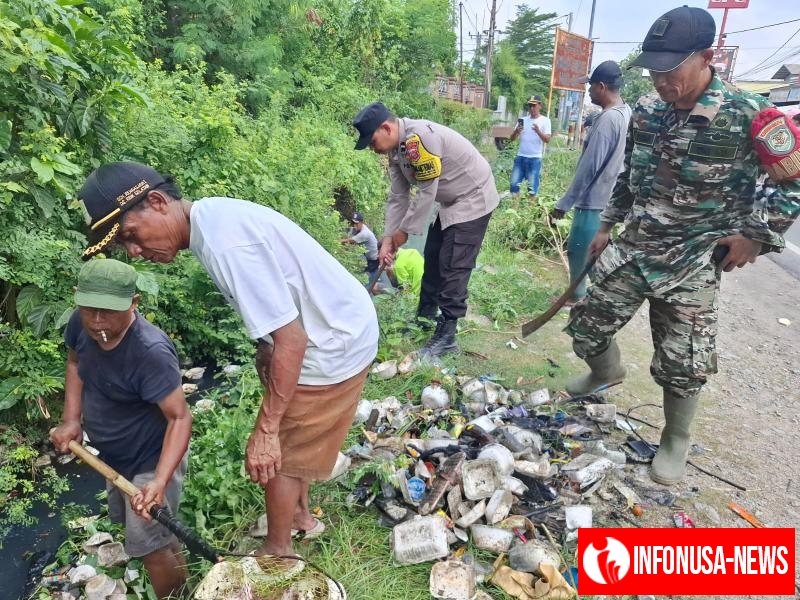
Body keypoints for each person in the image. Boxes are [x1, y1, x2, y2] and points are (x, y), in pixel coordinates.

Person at [76, 162, 379, 589]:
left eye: (130, 235)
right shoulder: (212, 219)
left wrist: (268, 429)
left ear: (158, 202)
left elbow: (292, 341)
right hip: (341, 320)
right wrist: (264, 348)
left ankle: (278, 550)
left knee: (281, 450)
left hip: (332, 340)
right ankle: (299, 515)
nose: (134, 252)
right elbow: (277, 303)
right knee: (293, 436)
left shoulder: (223, 244)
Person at [563, 6, 800, 486]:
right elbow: (630, 176)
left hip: (694, 259)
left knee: (682, 363)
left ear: (706, 57)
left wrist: (756, 235)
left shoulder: (752, 114)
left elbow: (793, 181)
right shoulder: (647, 112)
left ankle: (675, 438)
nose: (660, 79)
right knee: (587, 324)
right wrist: (608, 223)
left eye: (671, 68)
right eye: (653, 69)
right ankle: (606, 372)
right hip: (637, 246)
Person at [50, 259, 191, 599]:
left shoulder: (150, 351)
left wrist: (158, 481)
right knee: (161, 534)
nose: (98, 322)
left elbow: (180, 418)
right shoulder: (79, 325)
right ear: (77, 299)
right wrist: (72, 419)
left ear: (134, 303)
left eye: (109, 312)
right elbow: (74, 363)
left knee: (147, 545)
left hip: (152, 459)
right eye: (90, 310)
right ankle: (187, 588)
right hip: (113, 458)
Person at [352, 102, 499, 357]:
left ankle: (447, 335)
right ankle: (425, 319)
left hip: (473, 197)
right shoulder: (397, 151)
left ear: (386, 128)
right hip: (451, 201)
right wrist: (388, 237)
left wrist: (403, 233)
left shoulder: (418, 141)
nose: (373, 149)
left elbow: (426, 192)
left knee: (453, 264)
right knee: (432, 256)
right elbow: (398, 197)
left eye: (373, 141)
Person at [550, 61, 632, 305]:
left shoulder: (607, 120)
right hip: (611, 199)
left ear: (602, 86)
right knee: (597, 252)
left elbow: (589, 167)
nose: (588, 91)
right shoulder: (626, 113)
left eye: (591, 86)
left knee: (579, 250)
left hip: (595, 198)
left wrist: (565, 202)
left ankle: (576, 297)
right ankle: (594, 296)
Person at [509, 95, 552, 201]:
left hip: (535, 158)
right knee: (514, 185)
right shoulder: (523, 120)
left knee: (532, 188)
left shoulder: (545, 121)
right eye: (530, 105)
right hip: (520, 157)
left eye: (534, 105)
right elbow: (512, 138)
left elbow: (547, 139)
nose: (532, 108)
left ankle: (529, 212)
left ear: (540, 106)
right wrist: (516, 131)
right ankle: (514, 210)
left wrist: (538, 131)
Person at [340, 211, 379, 280]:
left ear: (362, 222)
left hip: (373, 261)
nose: (354, 225)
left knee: (367, 280)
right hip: (367, 258)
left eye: (357, 223)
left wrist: (335, 241)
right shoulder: (358, 228)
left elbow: (349, 241)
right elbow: (349, 235)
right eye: (353, 223)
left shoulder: (365, 233)